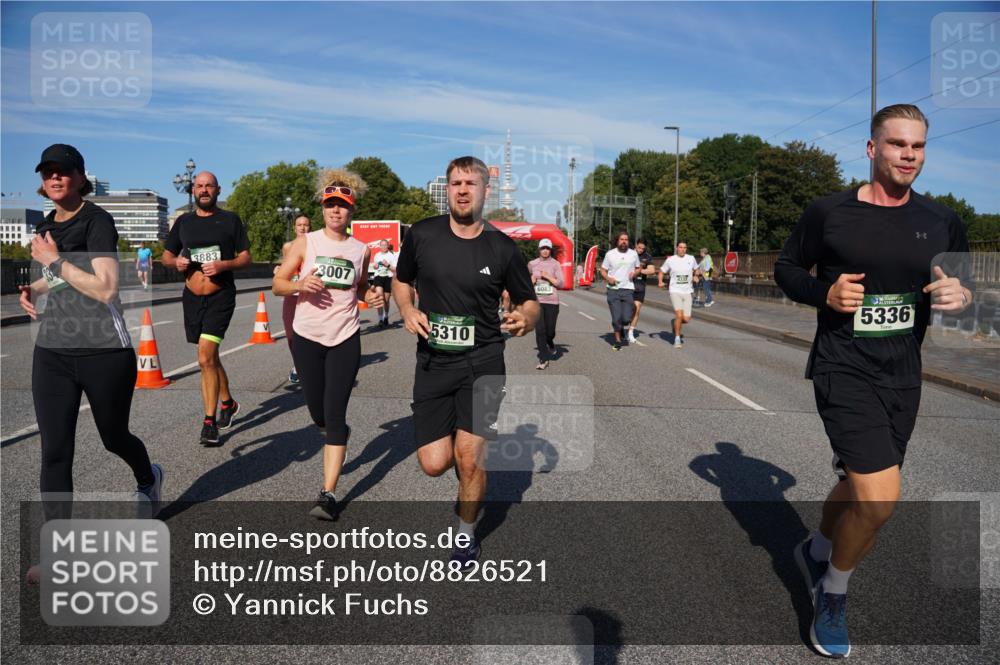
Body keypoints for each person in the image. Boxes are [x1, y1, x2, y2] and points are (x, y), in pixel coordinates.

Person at [774, 104, 973, 658]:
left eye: (918, 146)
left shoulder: (942, 219)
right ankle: (833, 592)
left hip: (903, 373)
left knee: (859, 485)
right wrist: (825, 293)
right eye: (897, 144)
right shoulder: (829, 212)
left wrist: (961, 296)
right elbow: (787, 268)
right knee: (881, 500)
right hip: (843, 365)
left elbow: (960, 286)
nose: (909, 155)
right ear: (872, 148)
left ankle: (816, 550)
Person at [20, 144, 163, 582]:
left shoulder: (97, 220)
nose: (55, 177)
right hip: (54, 351)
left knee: (113, 436)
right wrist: (34, 289)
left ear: (81, 177)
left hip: (104, 350)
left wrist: (54, 261)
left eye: (63, 171)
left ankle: (148, 477)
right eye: (47, 171)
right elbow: (56, 279)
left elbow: (104, 288)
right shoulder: (46, 225)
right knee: (55, 450)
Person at [392, 156, 538, 567]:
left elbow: (529, 302)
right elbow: (401, 280)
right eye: (455, 183)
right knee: (434, 464)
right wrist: (406, 309)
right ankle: (464, 470)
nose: (462, 190)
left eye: (470, 183)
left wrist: (526, 319)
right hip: (433, 362)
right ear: (447, 189)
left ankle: (466, 537)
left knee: (470, 459)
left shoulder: (502, 248)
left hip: (484, 362)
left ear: (485, 191)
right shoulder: (422, 235)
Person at [273, 169, 382, 520]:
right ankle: (336, 432)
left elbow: (360, 287)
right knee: (318, 413)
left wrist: (371, 296)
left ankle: (328, 494)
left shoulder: (360, 250)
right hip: (307, 336)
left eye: (343, 206)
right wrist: (299, 285)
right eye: (330, 204)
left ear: (351, 211)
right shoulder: (307, 243)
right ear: (322, 208)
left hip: (345, 338)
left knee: (334, 415)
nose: (336, 210)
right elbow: (278, 284)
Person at [162, 172, 251, 445]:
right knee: (209, 357)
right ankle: (228, 403)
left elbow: (246, 257)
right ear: (193, 189)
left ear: (217, 190)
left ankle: (209, 423)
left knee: (204, 358)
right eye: (199, 186)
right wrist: (175, 262)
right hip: (191, 298)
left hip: (220, 297)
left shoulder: (230, 220)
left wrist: (224, 265)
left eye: (209, 186)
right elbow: (166, 256)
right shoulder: (184, 222)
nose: (204, 190)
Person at [275, 214, 311, 384]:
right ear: (295, 227)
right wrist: (278, 271)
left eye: (305, 224)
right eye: (299, 225)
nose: (302, 227)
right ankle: (298, 363)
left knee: (309, 334)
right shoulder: (288, 246)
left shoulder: (315, 245)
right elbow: (285, 268)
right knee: (290, 335)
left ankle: (303, 366)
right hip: (292, 293)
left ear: (310, 227)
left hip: (309, 295)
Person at [600, 231, 640, 351]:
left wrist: (635, 273)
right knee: (616, 318)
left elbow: (638, 268)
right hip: (613, 289)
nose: (624, 242)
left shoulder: (633, 254)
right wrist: (608, 278)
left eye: (626, 240)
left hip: (628, 289)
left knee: (627, 318)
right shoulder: (610, 254)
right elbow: (602, 270)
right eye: (621, 239)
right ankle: (617, 341)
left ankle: (621, 327)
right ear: (617, 241)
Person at [528, 238, 563, 369]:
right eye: (543, 248)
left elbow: (561, 283)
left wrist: (548, 276)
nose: (545, 251)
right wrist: (531, 280)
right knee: (540, 331)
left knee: (550, 332)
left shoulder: (555, 264)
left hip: (552, 302)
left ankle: (550, 342)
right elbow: (524, 281)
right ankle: (543, 358)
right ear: (539, 249)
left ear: (550, 250)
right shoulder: (532, 264)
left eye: (547, 248)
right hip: (537, 302)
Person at [658, 241, 699, 348]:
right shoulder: (670, 260)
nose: (682, 249)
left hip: (688, 291)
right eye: (680, 247)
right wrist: (660, 281)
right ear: (677, 248)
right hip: (675, 291)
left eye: (684, 247)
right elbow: (661, 271)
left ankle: (675, 322)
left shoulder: (691, 258)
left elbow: (696, 269)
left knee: (686, 319)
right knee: (679, 315)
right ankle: (677, 339)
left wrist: (696, 276)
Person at [628, 238, 656, 343]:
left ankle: (630, 333)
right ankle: (621, 327)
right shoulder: (628, 254)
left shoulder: (647, 256)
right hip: (627, 285)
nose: (640, 250)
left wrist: (639, 271)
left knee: (637, 309)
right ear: (636, 245)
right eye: (639, 247)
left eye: (643, 248)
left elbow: (652, 270)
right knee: (626, 310)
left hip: (640, 286)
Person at [371, 239, 397, 327]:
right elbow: (375, 267)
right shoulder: (377, 255)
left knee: (386, 300)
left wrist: (387, 265)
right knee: (379, 297)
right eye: (382, 245)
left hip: (388, 278)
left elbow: (395, 269)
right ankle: (380, 319)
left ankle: (386, 316)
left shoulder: (391, 256)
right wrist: (375, 266)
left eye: (385, 245)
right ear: (379, 246)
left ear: (388, 246)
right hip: (378, 277)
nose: (383, 247)